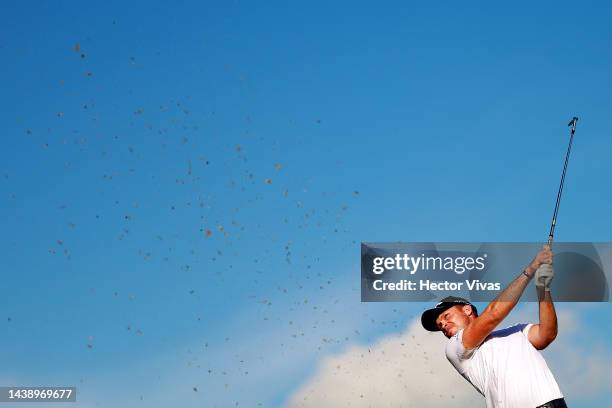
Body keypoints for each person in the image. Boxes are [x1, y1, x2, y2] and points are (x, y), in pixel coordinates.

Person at [421, 245, 567, 408]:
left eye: (446, 316)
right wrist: (531, 269)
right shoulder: (454, 349)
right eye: (440, 325)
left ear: (467, 309)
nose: (443, 325)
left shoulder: (518, 331)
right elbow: (493, 314)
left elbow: (547, 335)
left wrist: (543, 289)